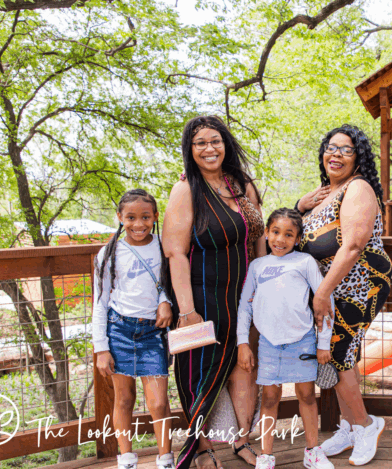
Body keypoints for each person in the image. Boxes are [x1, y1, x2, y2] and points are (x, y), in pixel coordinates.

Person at [163, 116, 265, 469]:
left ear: (226, 144)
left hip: (242, 296)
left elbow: (259, 237)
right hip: (201, 298)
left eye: (215, 141)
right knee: (199, 373)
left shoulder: (241, 186)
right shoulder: (185, 190)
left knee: (243, 367)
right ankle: (202, 447)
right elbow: (175, 252)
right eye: (200, 143)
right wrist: (187, 311)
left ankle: (242, 440)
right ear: (190, 151)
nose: (209, 148)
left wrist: (263, 289)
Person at [296, 125, 392, 466]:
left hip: (359, 285)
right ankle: (350, 426)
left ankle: (367, 425)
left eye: (346, 150)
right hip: (330, 291)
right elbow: (294, 236)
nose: (336, 154)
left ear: (358, 158)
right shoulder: (324, 193)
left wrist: (321, 293)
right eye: (331, 148)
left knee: (338, 355)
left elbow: (352, 245)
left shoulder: (359, 187)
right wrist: (298, 205)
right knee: (335, 356)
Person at [236, 208, 335, 469]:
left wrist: (323, 343)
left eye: (288, 235)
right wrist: (242, 343)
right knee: (269, 399)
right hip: (268, 344)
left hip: (302, 341)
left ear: (297, 238)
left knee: (307, 396)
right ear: (267, 232)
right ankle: (266, 456)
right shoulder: (258, 266)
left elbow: (326, 302)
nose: (280, 239)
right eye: (275, 232)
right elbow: (244, 307)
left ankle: (313, 451)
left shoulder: (304, 262)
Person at [92, 189, 174, 469]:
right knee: (124, 399)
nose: (138, 224)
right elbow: (100, 301)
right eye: (131, 217)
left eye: (145, 217)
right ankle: (126, 457)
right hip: (119, 330)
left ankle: (165, 458)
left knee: (159, 402)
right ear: (119, 217)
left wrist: (165, 301)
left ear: (155, 217)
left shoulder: (163, 246)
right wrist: (100, 348)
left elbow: (169, 283)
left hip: (153, 333)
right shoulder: (109, 252)